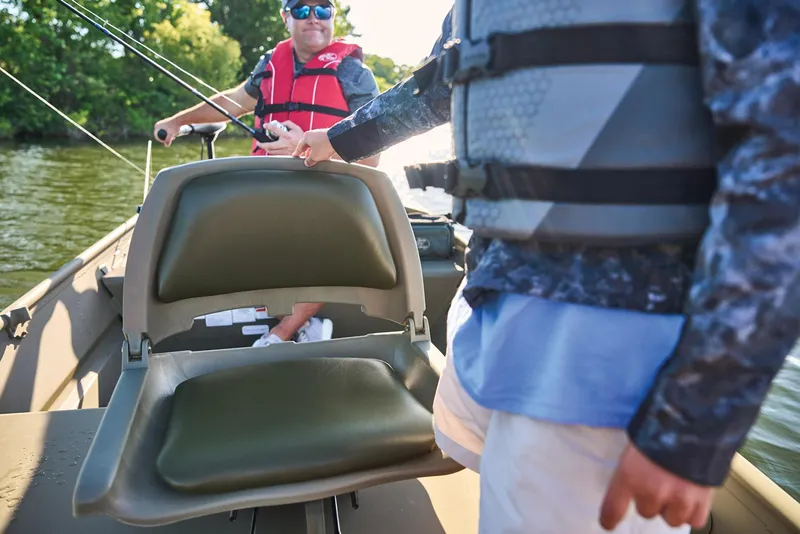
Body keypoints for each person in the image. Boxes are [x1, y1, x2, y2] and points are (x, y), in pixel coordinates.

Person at [294, 2, 800, 533]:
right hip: (497, 306)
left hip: (605, 354)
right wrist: (338, 137)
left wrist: (695, 421)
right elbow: (448, 79)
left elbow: (782, 166)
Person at [153, 0, 381, 347]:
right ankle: (305, 326)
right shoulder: (270, 64)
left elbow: (374, 157)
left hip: (328, 191)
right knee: (212, 224)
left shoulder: (353, 74)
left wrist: (304, 150)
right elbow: (231, 102)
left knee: (323, 243)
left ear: (333, 16)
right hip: (265, 185)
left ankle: (281, 333)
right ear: (285, 18)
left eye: (323, 10)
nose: (313, 19)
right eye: (302, 11)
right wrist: (178, 120)